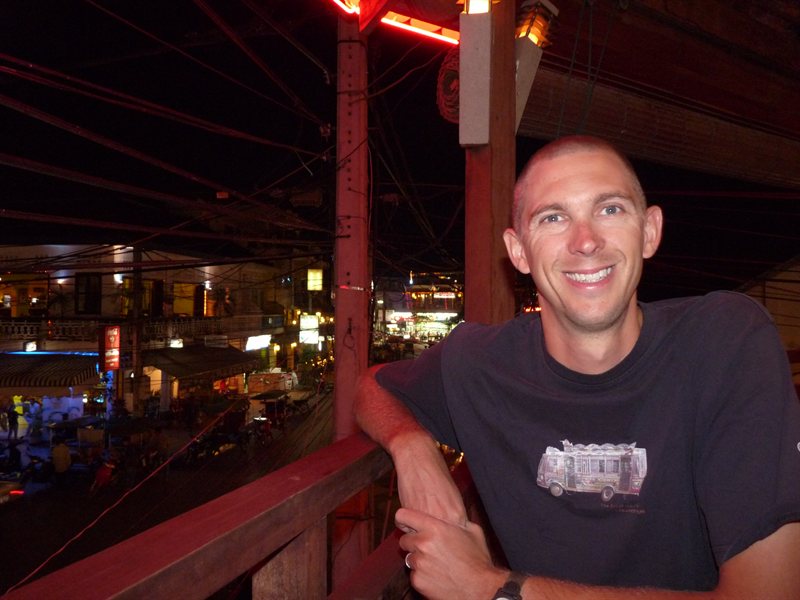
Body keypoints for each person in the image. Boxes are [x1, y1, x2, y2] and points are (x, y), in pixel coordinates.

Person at [354, 135, 800, 600]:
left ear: (649, 232)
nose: (585, 241)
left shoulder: (724, 341)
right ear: (519, 251)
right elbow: (373, 387)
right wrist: (413, 448)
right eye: (553, 217)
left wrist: (490, 588)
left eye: (610, 209)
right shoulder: (480, 362)